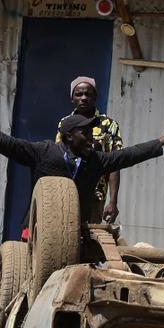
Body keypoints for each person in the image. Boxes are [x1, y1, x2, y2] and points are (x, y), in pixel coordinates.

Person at [0, 108, 164, 226]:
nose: (91, 136)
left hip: (75, 228)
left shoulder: (96, 160)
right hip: (39, 227)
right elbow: (5, 142)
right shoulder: (44, 152)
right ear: (69, 136)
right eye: (85, 132)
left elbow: (129, 155)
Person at [54, 76, 123, 223]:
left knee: (89, 238)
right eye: (78, 94)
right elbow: (57, 157)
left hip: (95, 195)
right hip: (66, 193)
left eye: (88, 94)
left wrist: (113, 201)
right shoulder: (64, 123)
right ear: (72, 98)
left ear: (95, 97)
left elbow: (115, 163)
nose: (83, 98)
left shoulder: (108, 125)